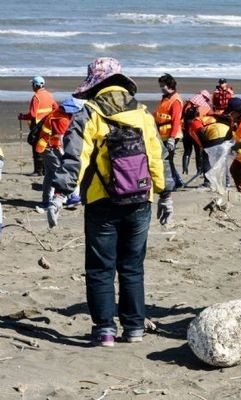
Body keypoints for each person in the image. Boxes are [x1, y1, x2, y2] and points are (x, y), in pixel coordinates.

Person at [48, 57, 174, 346]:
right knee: (132, 267)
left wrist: (59, 194)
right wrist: (165, 194)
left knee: (100, 268)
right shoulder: (143, 115)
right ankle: (134, 329)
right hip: (141, 202)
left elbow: (74, 159)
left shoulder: (88, 114)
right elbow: (158, 159)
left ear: (95, 85)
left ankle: (105, 330)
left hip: (101, 204)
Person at [35, 97, 85, 209]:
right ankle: (71, 197)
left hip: (46, 147)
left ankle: (46, 200)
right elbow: (63, 139)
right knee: (62, 171)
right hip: (50, 148)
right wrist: (68, 155)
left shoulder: (58, 113)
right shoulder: (62, 118)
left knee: (49, 175)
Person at [18, 76, 58, 176]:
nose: (32, 86)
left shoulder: (36, 97)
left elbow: (32, 114)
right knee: (44, 144)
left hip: (38, 125)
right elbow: (55, 108)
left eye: (32, 84)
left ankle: (38, 171)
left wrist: (22, 116)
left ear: (36, 85)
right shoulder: (49, 95)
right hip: (47, 124)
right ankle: (44, 169)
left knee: (35, 144)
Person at [154, 73, 185, 189]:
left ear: (170, 85)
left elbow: (176, 120)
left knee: (167, 159)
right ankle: (176, 181)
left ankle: (177, 182)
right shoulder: (166, 98)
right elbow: (159, 114)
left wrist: (172, 138)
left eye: (163, 86)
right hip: (163, 134)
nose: (161, 88)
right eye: (160, 86)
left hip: (171, 134)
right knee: (167, 159)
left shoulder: (175, 100)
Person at [182, 90, 212, 177]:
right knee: (198, 152)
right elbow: (211, 116)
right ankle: (199, 170)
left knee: (187, 151)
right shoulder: (206, 107)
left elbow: (182, 115)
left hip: (186, 130)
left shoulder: (189, 103)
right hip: (196, 131)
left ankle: (185, 168)